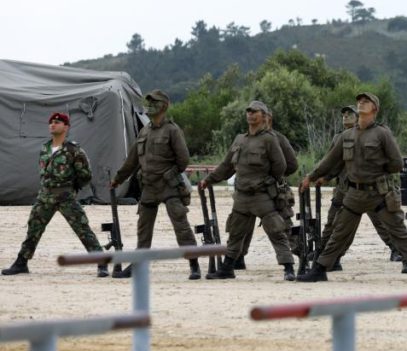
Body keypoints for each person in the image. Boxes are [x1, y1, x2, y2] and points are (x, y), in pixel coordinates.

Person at [296, 92, 407, 283]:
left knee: (399, 231)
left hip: (380, 194)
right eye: (359, 101)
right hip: (354, 193)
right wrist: (311, 176)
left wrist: (378, 171)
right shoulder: (346, 135)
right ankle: (320, 268)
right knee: (339, 231)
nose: (361, 103)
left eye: (366, 101)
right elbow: (330, 160)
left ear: (374, 108)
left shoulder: (382, 133)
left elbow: (397, 164)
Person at [200, 100, 295, 280]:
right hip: (242, 196)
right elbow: (226, 166)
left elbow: (281, 166)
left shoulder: (269, 139)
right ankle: (227, 268)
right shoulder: (240, 139)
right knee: (235, 233)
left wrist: (267, 180)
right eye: (248, 111)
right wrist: (209, 180)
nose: (250, 114)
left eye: (255, 112)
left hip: (262, 196)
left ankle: (288, 268)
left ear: (264, 116)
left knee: (276, 231)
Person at [2, 112, 107, 277]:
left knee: (83, 229)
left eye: (57, 122)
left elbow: (85, 174)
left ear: (66, 127)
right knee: (33, 229)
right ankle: (21, 263)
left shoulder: (73, 149)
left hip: (65, 196)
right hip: (45, 196)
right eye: (51, 122)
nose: (53, 124)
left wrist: (72, 188)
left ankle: (101, 263)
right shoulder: (45, 148)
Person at [111, 90, 200, 280]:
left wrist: (170, 174)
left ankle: (194, 264)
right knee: (143, 229)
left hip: (169, 187)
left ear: (164, 106)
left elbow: (183, 160)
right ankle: (137, 265)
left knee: (181, 227)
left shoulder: (172, 130)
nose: (150, 105)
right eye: (149, 102)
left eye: (155, 102)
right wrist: (118, 179)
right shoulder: (144, 131)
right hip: (149, 188)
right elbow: (132, 160)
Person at [317, 105, 406, 272]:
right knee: (335, 224)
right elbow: (332, 163)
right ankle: (329, 256)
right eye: (343, 115)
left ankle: (399, 251)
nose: (345, 117)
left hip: (371, 188)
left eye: (350, 114)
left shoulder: (376, 133)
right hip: (344, 188)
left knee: (384, 222)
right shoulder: (339, 138)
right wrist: (324, 177)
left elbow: (391, 161)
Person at [233, 107, 299, 274]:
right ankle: (238, 257)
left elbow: (291, 165)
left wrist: (274, 176)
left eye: (267, 117)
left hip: (274, 188)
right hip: (249, 190)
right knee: (243, 225)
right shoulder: (246, 139)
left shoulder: (278, 138)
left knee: (282, 223)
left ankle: (300, 252)